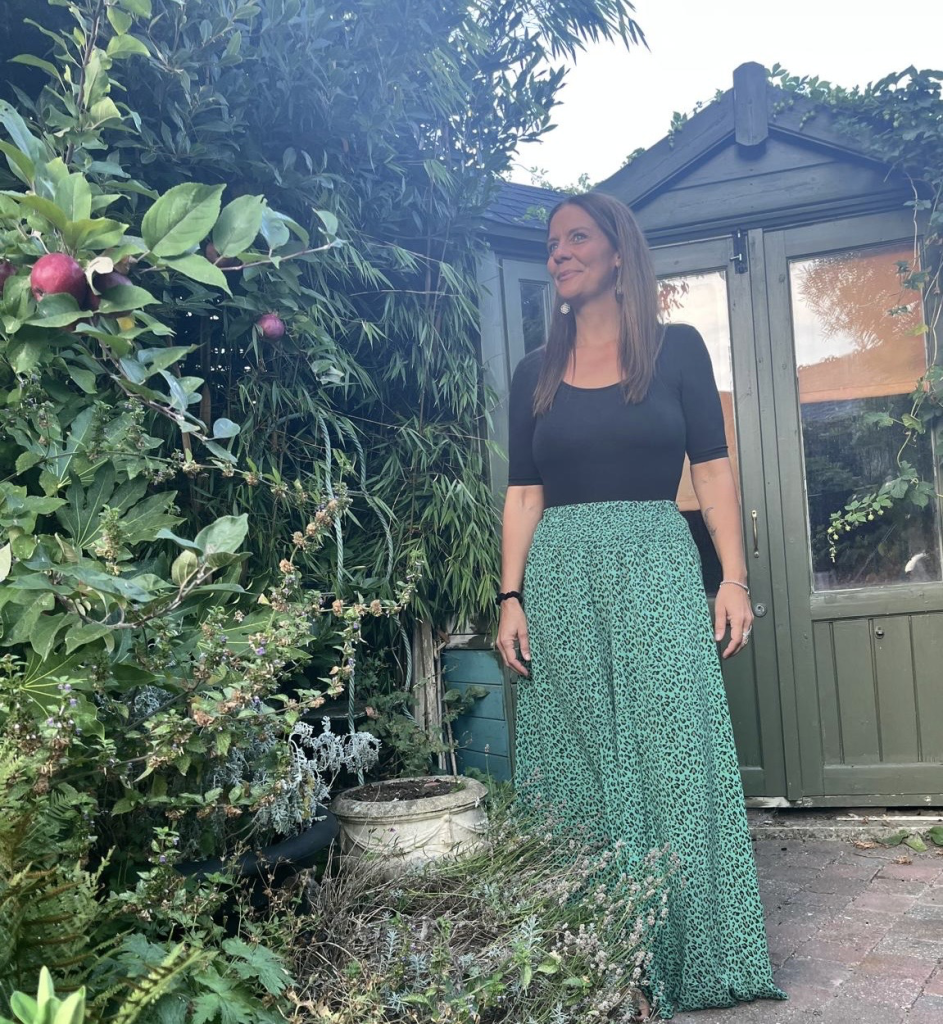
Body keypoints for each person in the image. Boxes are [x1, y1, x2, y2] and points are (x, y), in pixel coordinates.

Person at [495, 192, 786, 1019]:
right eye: (551, 243)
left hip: (656, 567)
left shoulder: (676, 349)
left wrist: (732, 579)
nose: (558, 252)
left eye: (576, 237)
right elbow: (523, 493)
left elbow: (714, 471)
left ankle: (696, 950)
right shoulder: (532, 372)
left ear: (619, 251)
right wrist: (510, 595)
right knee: (574, 762)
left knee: (672, 750)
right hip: (560, 578)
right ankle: (598, 958)